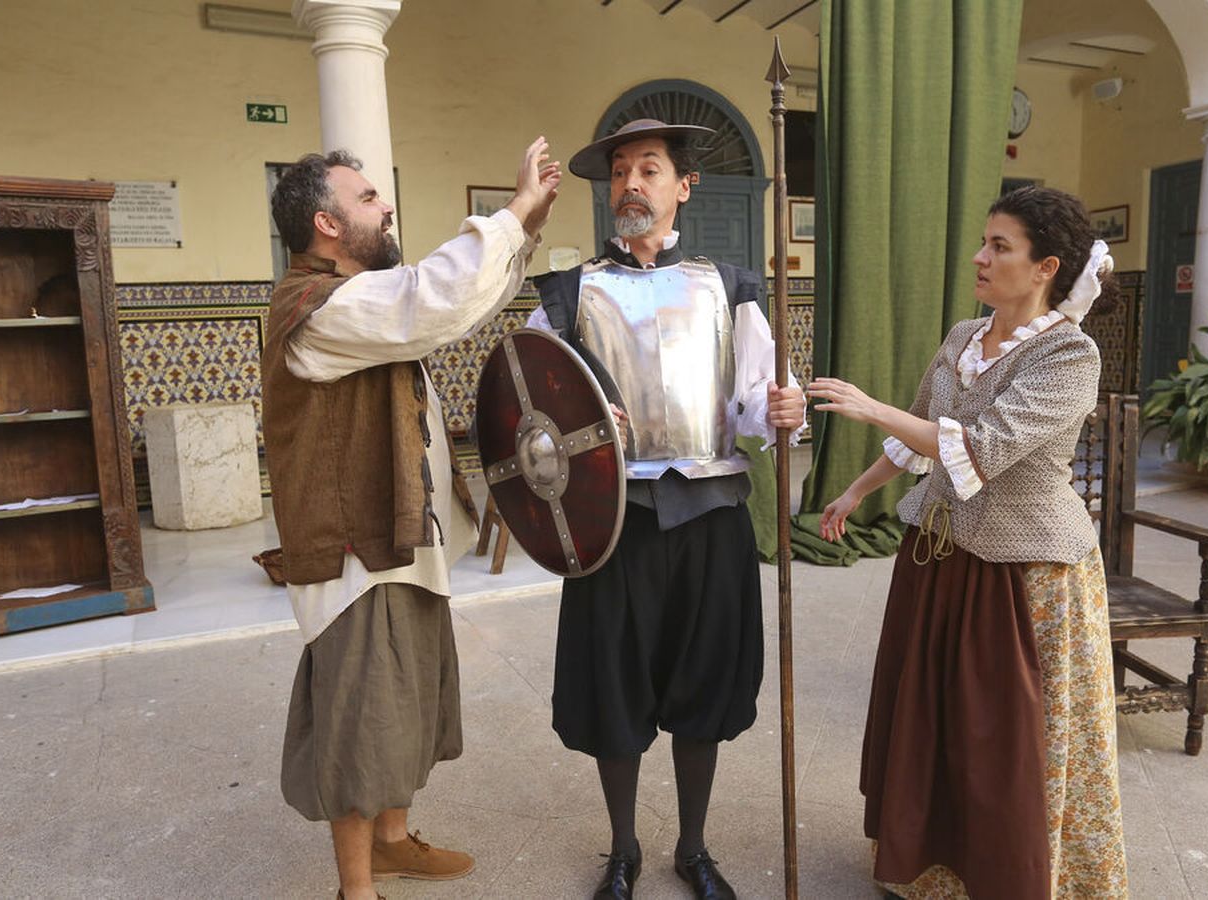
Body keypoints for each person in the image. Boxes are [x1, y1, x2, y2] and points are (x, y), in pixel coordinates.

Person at [809, 186, 1129, 899]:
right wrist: (858, 490)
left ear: (1046, 267)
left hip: (1025, 571)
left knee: (1003, 740)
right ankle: (932, 869)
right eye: (984, 242)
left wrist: (870, 407)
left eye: (1000, 247)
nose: (981, 258)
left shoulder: (1069, 356)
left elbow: (979, 450)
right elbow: (921, 431)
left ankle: (1014, 876)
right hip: (939, 554)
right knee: (934, 719)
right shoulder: (962, 337)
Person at [262, 138, 560, 900]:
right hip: (355, 557)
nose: (385, 204)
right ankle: (356, 887)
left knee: (404, 704)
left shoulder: (364, 297)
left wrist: (520, 236)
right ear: (325, 225)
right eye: (367, 198)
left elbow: (445, 310)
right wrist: (514, 211)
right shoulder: (314, 307)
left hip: (402, 541)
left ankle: (393, 843)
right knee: (362, 717)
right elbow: (431, 299)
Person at [525, 119, 807, 900]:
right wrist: (571, 444)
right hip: (611, 523)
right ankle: (622, 850)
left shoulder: (730, 286)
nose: (630, 183)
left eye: (648, 168)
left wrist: (781, 410)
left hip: (711, 515)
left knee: (702, 685)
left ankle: (693, 846)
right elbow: (528, 420)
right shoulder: (568, 294)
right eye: (619, 171)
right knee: (613, 687)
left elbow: (754, 398)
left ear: (683, 187)